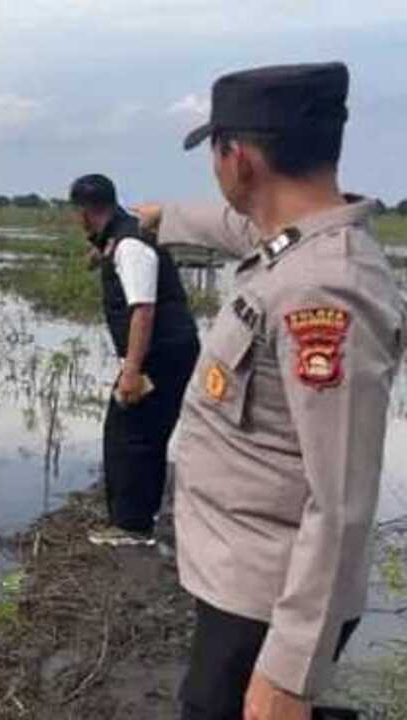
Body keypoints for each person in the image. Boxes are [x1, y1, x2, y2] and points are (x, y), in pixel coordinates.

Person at [135, 62, 407, 720]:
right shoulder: (293, 242)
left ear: (240, 158)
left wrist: (290, 670)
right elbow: (238, 230)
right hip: (245, 576)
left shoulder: (323, 290)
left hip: (272, 594)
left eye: (216, 152)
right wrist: (158, 218)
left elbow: (341, 499)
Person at [68, 174, 200, 547]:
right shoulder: (122, 238)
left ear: (83, 212)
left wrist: (132, 370)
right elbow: (111, 252)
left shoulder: (130, 246)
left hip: (160, 353)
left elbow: (143, 311)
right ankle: (140, 516)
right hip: (169, 350)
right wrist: (99, 254)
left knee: (130, 433)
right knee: (144, 431)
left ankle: (131, 527)